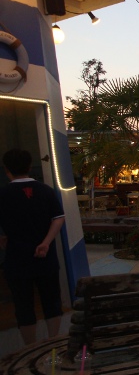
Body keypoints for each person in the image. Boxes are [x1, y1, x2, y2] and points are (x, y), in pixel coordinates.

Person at [0, 148, 65, 345]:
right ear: (30, 166)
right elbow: (58, 218)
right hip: (46, 257)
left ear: (7, 170)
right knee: (52, 301)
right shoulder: (46, 191)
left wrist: (4, 242)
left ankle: (30, 348)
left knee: (23, 305)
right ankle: (52, 343)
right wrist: (46, 243)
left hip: (17, 258)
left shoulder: (4, 194)